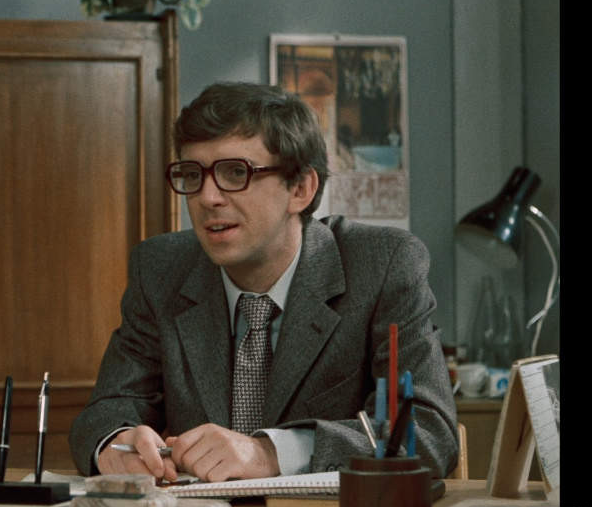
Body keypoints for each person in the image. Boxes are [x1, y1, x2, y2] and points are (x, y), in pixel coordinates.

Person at [69, 82, 458, 483]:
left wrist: (271, 452)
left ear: (301, 189)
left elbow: (429, 434)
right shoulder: (160, 268)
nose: (207, 198)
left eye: (236, 172)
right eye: (192, 175)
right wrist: (115, 444)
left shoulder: (382, 265)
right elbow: (106, 411)